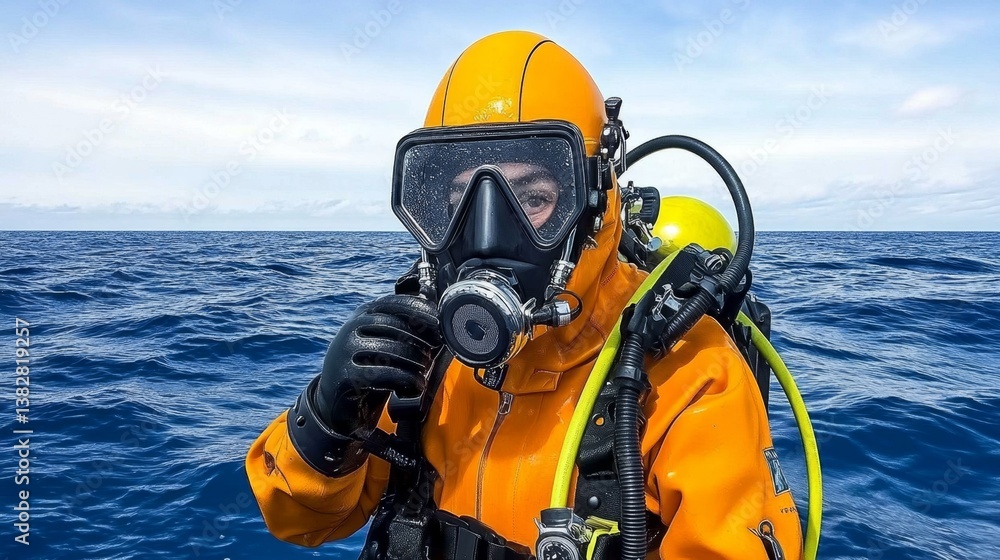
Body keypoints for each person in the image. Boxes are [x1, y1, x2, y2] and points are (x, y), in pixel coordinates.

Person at [247, 30, 803, 559]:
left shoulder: (690, 375)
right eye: (462, 197)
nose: (487, 234)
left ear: (593, 198)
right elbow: (299, 520)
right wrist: (328, 416)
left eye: (532, 197)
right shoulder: (428, 357)